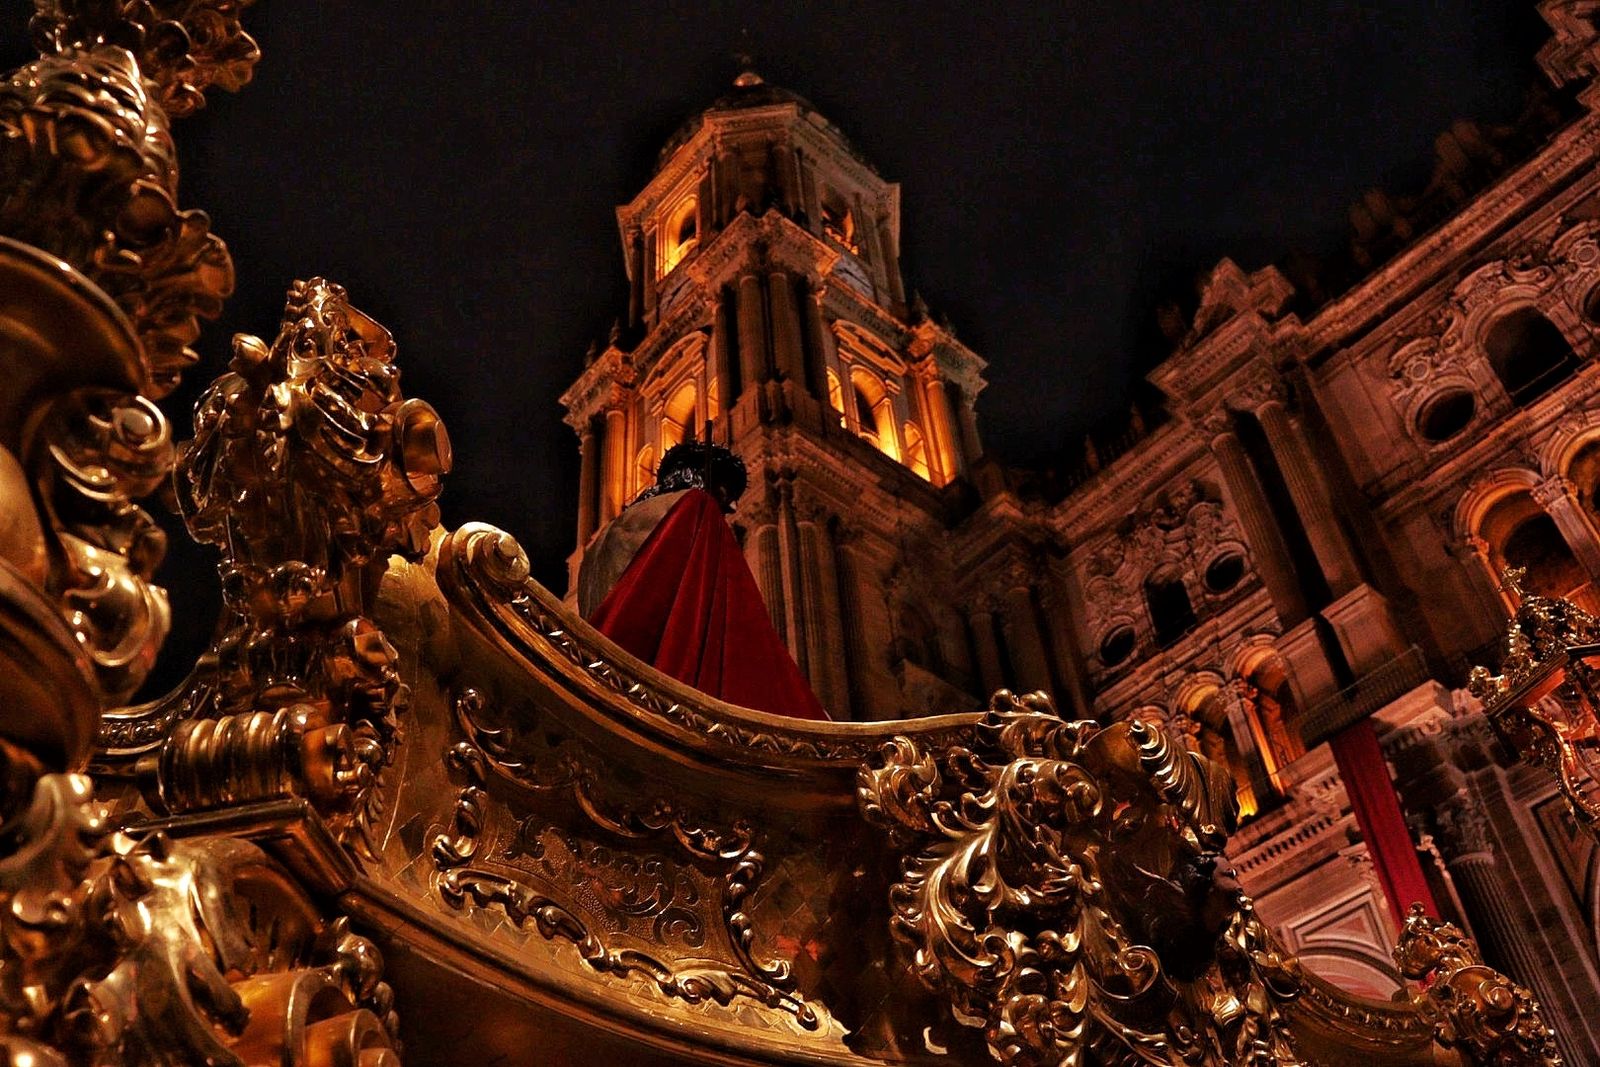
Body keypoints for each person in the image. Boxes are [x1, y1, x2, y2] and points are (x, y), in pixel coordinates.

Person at [577, 440, 829, 721]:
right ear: (708, 481)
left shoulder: (598, 544)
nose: (730, 509)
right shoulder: (696, 509)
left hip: (596, 685)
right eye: (726, 494)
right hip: (658, 693)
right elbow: (740, 622)